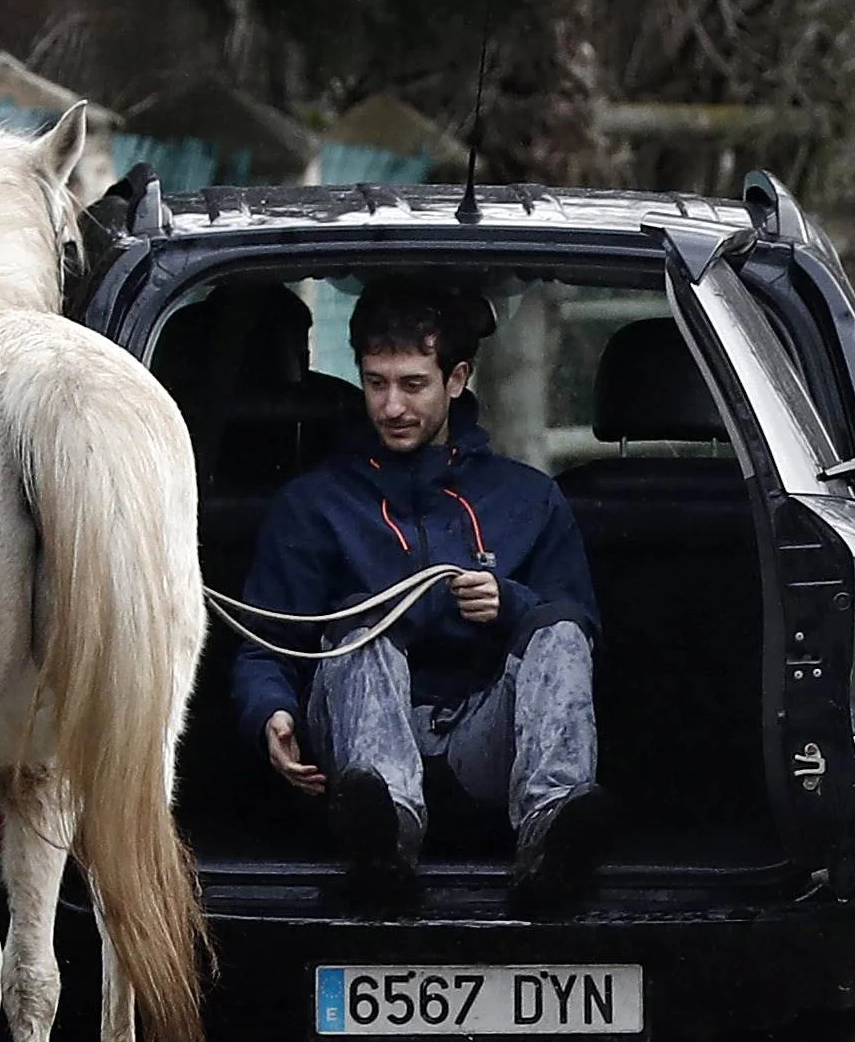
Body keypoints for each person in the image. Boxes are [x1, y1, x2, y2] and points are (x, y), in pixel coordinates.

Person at [235, 280, 614, 920]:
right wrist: (269, 713)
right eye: (375, 382)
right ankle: (384, 846)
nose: (391, 406)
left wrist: (510, 604)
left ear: (456, 379)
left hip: (485, 741)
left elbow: (578, 640)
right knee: (364, 622)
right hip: (363, 755)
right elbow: (263, 643)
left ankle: (553, 836)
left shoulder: (527, 498)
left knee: (558, 628)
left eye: (412, 384)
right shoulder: (315, 503)